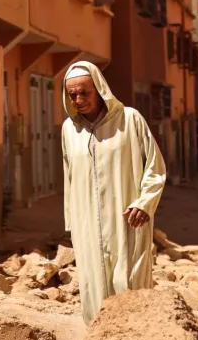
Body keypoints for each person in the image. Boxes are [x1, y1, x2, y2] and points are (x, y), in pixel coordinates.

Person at [61, 61, 167, 326]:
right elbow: (69, 178)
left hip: (127, 221)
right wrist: (72, 222)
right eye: (72, 94)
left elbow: (154, 166)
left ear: (99, 89)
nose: (78, 99)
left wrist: (145, 203)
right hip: (87, 226)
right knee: (93, 287)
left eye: (84, 92)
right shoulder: (68, 130)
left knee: (129, 283)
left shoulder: (130, 120)